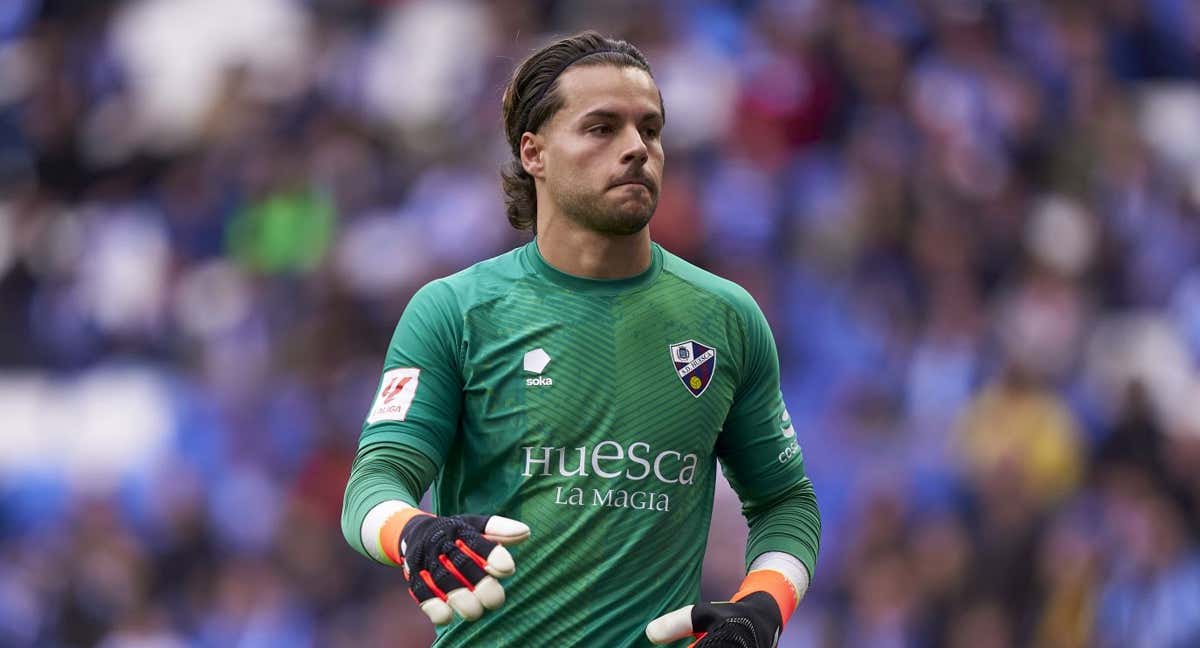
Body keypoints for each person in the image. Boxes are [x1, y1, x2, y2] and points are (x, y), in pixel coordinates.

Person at [340, 31, 820, 647]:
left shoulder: (726, 318)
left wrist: (763, 607)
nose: (637, 149)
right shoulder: (457, 311)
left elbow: (786, 502)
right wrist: (414, 533)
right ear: (533, 153)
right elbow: (374, 481)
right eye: (602, 128)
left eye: (650, 129)